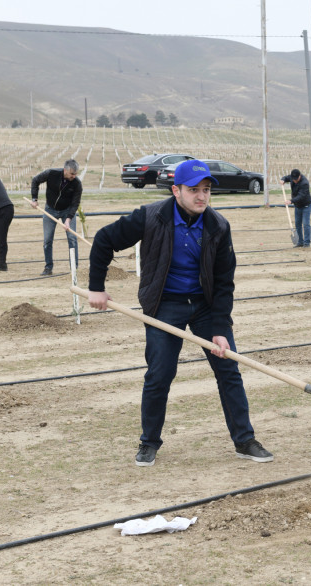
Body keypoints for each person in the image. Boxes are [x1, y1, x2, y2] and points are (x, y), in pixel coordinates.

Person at [86, 159, 272, 467]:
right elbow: (104, 240)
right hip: (164, 304)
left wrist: (220, 329)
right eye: (194, 190)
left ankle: (245, 440)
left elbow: (225, 283)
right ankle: (149, 442)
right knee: (160, 374)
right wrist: (96, 287)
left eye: (206, 190)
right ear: (176, 190)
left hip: (205, 306)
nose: (202, 196)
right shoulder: (150, 217)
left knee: (229, 371)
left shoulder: (218, 227)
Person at [30, 159, 83, 275]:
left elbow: (75, 203)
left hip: (67, 211)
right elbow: (35, 180)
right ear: (65, 170)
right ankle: (48, 268)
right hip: (50, 210)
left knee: (72, 239)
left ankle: (74, 268)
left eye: (76, 174)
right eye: (72, 174)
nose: (74, 176)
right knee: (47, 240)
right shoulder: (51, 174)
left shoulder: (77, 184)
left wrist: (68, 220)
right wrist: (34, 199)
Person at [279, 169, 311, 247]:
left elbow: (301, 196)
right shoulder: (292, 178)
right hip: (297, 206)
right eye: (293, 179)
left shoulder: (304, 183)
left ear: (299, 176)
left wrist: (291, 201)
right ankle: (300, 242)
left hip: (306, 205)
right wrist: (283, 179)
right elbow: (286, 177)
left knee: (306, 224)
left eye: (296, 179)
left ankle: (307, 243)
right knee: (297, 224)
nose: (294, 181)